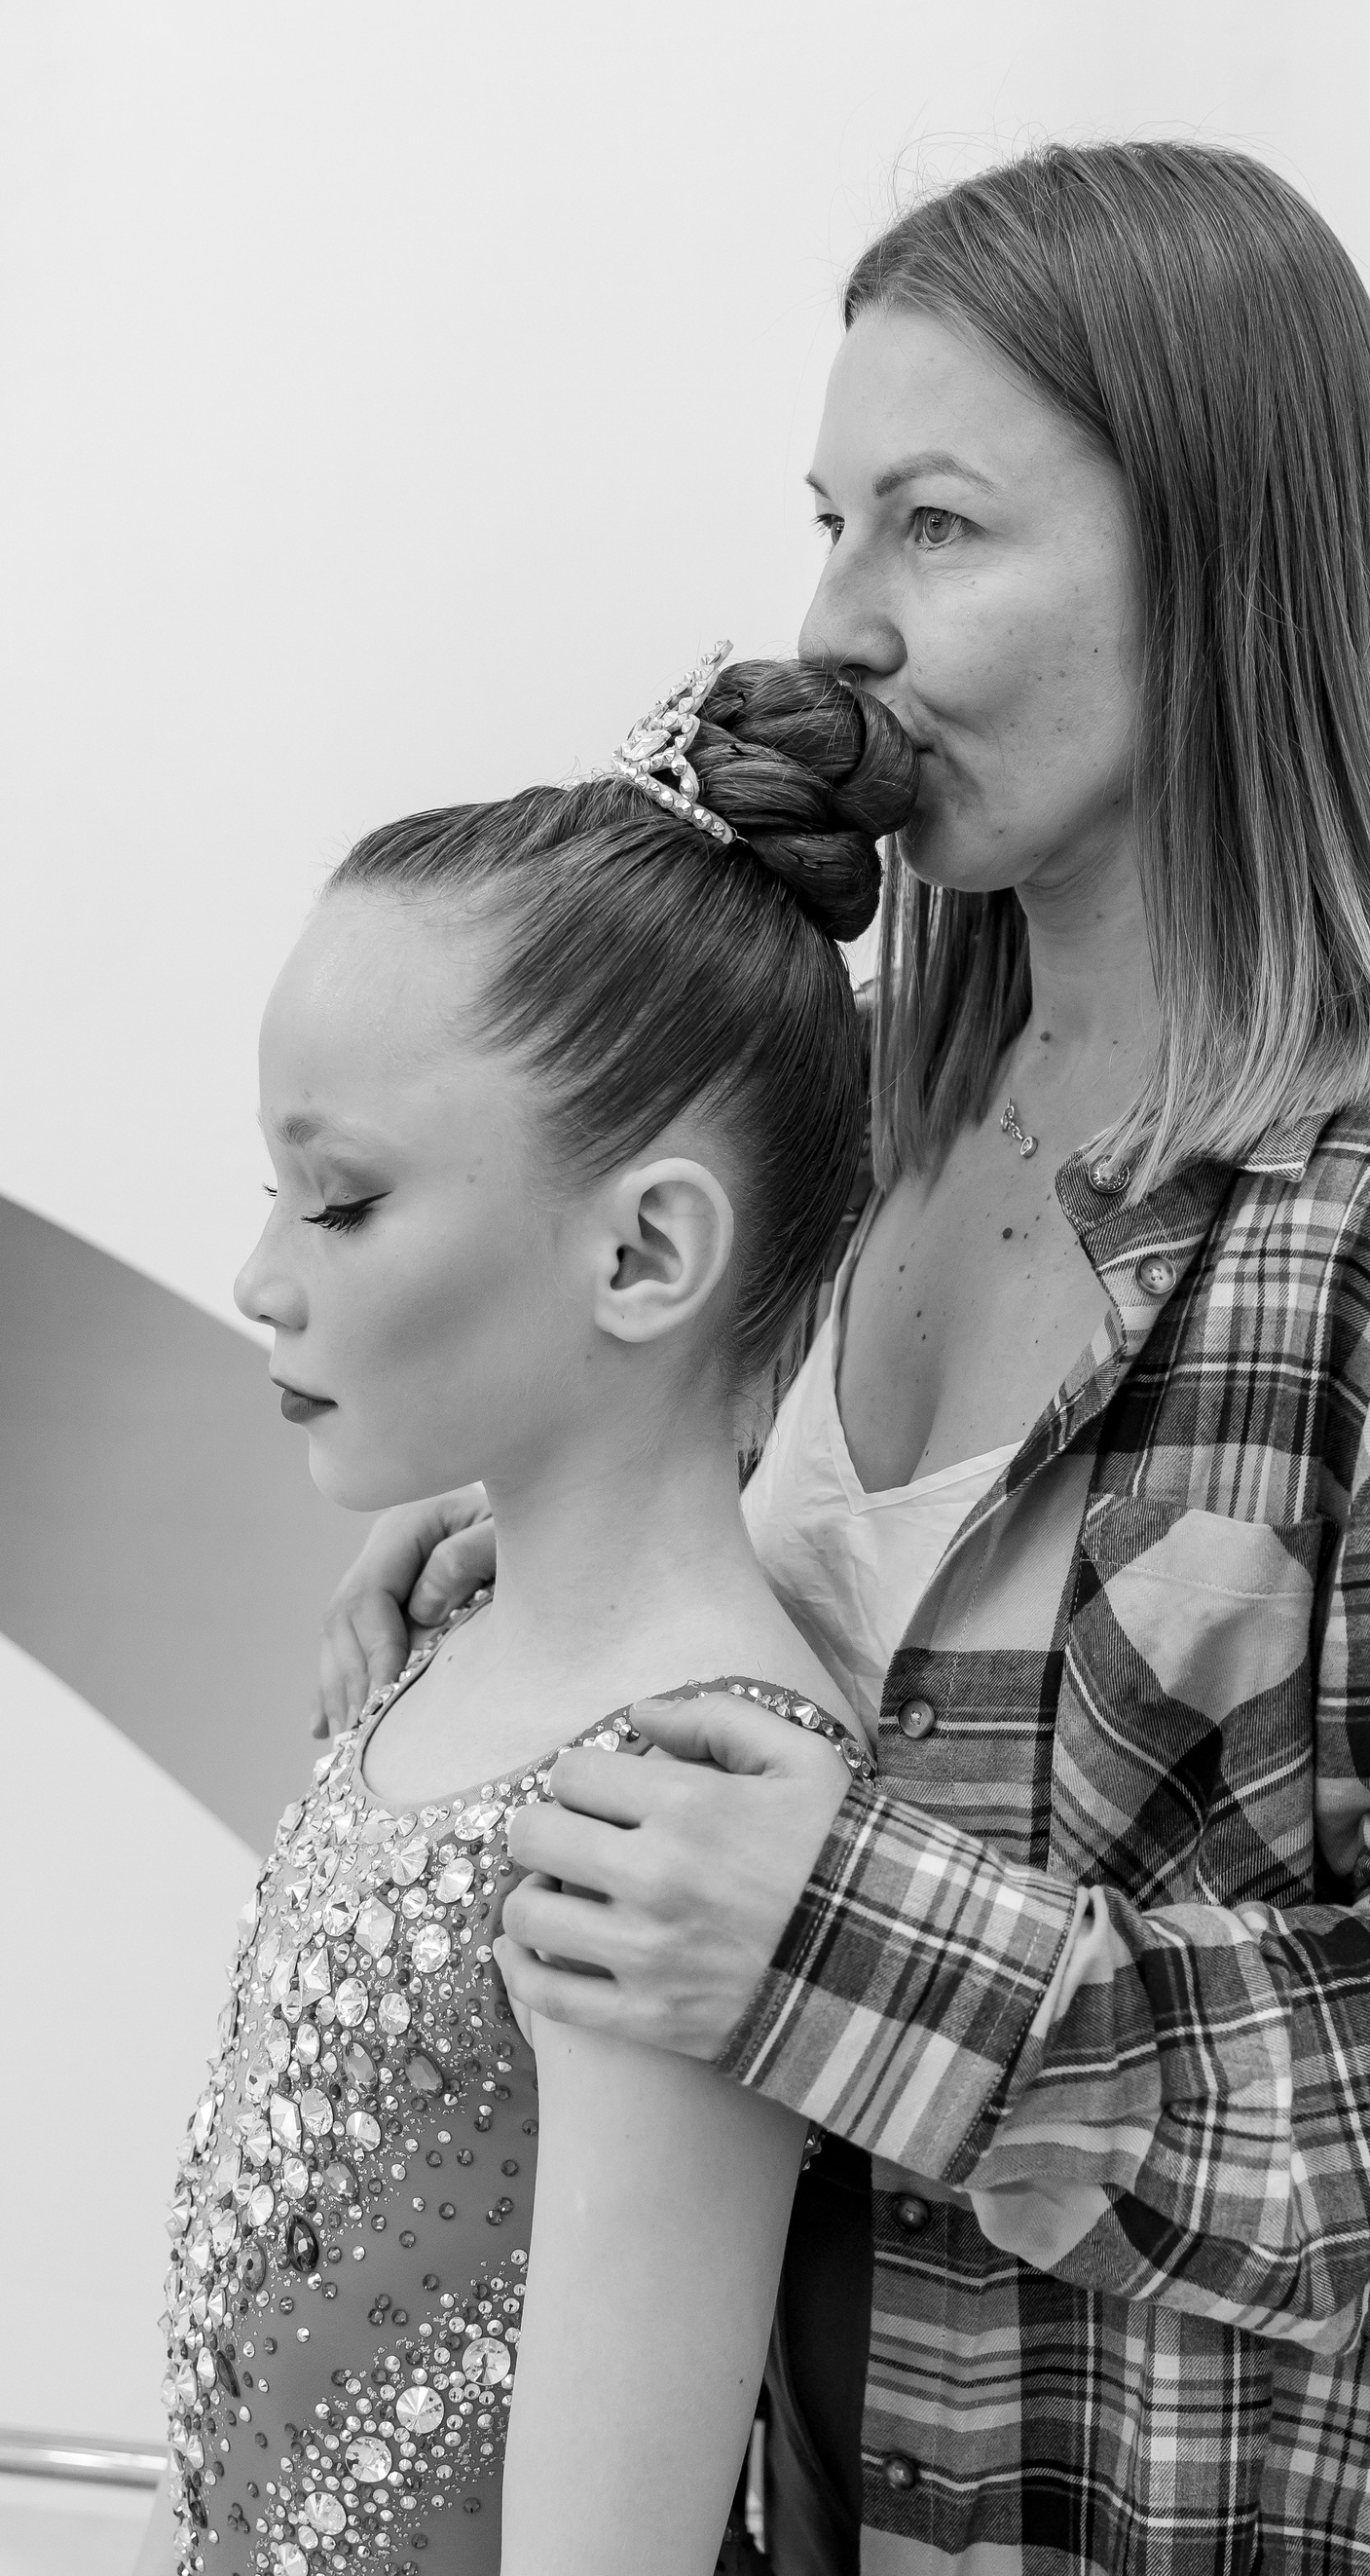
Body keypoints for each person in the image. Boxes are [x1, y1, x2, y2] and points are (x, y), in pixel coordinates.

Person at [316, 144, 1370, 2576]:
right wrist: (576, 1551)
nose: (840, 625)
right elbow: (862, 1685)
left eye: (938, 525)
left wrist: (847, 1938)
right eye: (832, 523)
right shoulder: (878, 1124)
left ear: (1222, 559)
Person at [137, 655, 914, 2576]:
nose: (258, 1278)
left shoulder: (689, 1804)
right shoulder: (438, 1658)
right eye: (272, 1191)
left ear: (643, 1250)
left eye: (341, 1204)